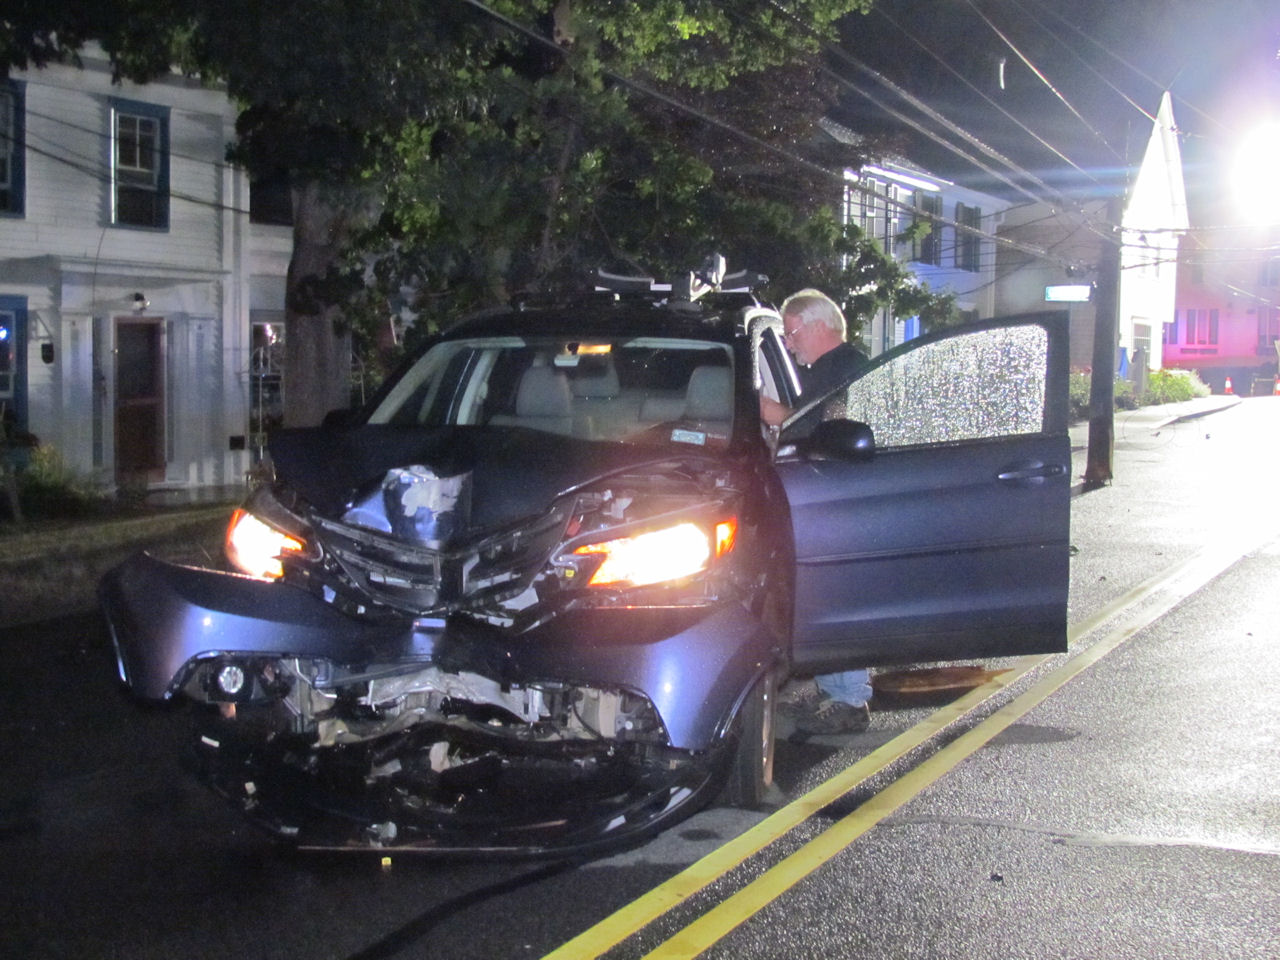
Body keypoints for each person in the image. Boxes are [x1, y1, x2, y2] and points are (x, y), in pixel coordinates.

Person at [763, 289, 874, 735]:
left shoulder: (845, 369)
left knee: (834, 587)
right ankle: (838, 686)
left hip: (842, 496)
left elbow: (822, 425)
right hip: (830, 493)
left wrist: (769, 411)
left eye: (791, 333)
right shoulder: (829, 369)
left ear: (818, 325)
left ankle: (850, 699)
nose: (789, 344)